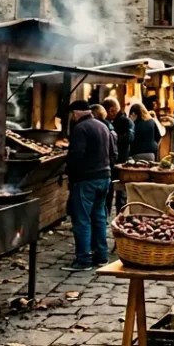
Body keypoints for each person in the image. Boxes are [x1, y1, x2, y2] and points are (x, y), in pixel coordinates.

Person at [65, 100, 113, 271]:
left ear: (77, 112)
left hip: (86, 179)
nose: (72, 117)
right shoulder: (103, 126)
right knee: (99, 217)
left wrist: (71, 175)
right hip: (104, 177)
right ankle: (102, 256)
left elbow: (76, 155)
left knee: (82, 219)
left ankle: (83, 259)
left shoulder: (80, 128)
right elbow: (112, 152)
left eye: (72, 114)